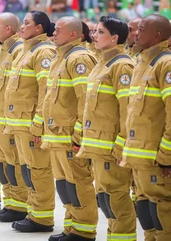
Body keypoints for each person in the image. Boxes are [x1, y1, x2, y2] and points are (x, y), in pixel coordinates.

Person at [77, 16, 137, 241]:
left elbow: (128, 110)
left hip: (112, 146)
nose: (94, 35)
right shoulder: (102, 62)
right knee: (105, 199)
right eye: (94, 31)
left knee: (116, 199)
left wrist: (121, 145)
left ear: (114, 38)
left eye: (100, 32)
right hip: (98, 145)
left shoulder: (122, 66)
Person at [43, 17, 98, 241]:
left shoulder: (79, 59)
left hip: (69, 135)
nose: (53, 33)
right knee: (65, 186)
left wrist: (78, 133)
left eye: (58, 30)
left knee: (78, 184)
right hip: (57, 134)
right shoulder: (61, 57)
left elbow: (86, 101)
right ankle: (71, 227)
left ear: (74, 35)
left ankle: (84, 231)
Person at [121, 14, 171, 241]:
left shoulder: (165, 64)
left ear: (157, 35)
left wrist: (167, 155)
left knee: (161, 209)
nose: (136, 34)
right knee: (143, 206)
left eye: (141, 29)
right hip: (138, 154)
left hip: (156, 156)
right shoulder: (142, 63)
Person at [8, 11, 57, 232]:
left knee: (39, 170)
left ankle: (42, 218)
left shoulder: (43, 52)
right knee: (28, 170)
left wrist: (39, 124)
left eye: (26, 23)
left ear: (39, 28)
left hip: (31, 124)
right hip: (20, 122)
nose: (21, 27)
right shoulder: (26, 50)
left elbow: (45, 91)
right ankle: (33, 212)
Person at [0, 13, 27, 222]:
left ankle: (19, 206)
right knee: (1, 165)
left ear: (9, 29)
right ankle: (9, 202)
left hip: (9, 120)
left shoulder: (17, 49)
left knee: (14, 164)